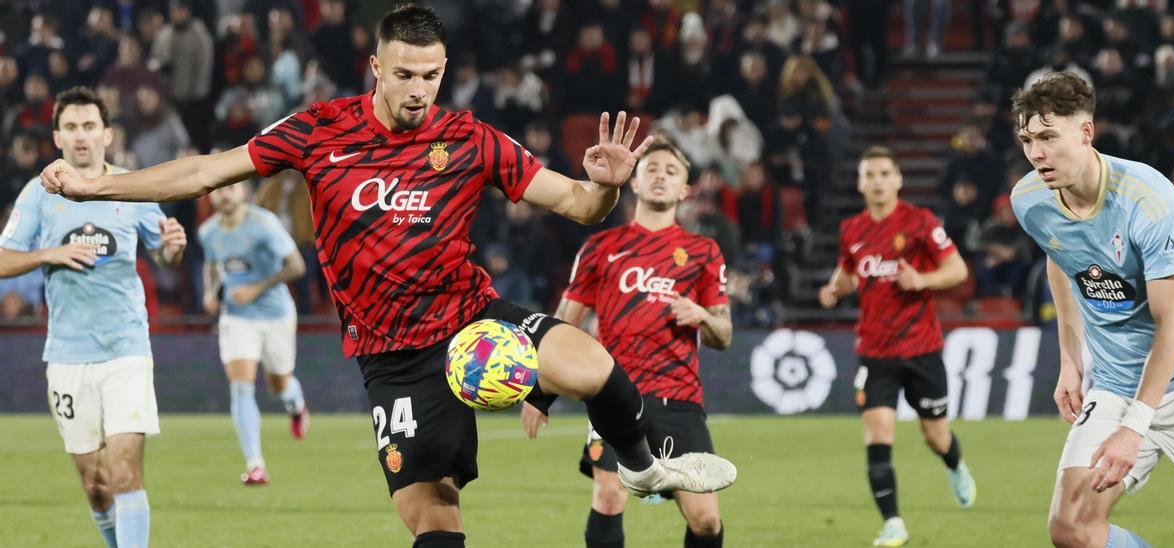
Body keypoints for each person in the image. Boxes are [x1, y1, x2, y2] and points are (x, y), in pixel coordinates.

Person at [39, 7, 735, 548]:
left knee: (592, 365)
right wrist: (97, 188)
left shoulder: (471, 139)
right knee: (433, 519)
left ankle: (642, 468)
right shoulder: (318, 131)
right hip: (392, 358)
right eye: (404, 74)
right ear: (376, 66)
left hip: (472, 318)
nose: (418, 89)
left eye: (430, 76)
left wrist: (606, 187)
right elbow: (202, 171)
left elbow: (581, 205)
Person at [1009, 72, 1174, 548]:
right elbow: (1061, 257)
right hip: (1116, 382)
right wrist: (1070, 361)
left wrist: (1135, 427)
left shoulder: (1147, 199)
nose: (1036, 153)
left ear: (1086, 132)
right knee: (1070, 528)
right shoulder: (1030, 199)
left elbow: (1172, 322)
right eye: (1028, 139)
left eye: (1049, 137)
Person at [0, 86, 187, 548]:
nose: (81, 136)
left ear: (106, 134)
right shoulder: (39, 195)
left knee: (125, 472)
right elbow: (3, 259)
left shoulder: (132, 187)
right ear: (57, 138)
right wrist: (53, 253)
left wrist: (172, 250)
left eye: (89, 126)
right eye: (71, 127)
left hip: (125, 348)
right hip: (67, 355)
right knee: (96, 484)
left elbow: (163, 257)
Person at [521, 140, 732, 548]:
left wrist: (704, 316)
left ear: (685, 190)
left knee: (705, 520)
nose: (661, 176)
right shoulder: (601, 248)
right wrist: (538, 392)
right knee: (609, 494)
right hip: (616, 396)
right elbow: (563, 324)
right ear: (634, 181)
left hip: (679, 398)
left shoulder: (703, 252)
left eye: (672, 172)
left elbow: (723, 335)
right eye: (652, 168)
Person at [817, 146, 975, 547]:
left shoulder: (919, 222)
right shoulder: (852, 229)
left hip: (922, 349)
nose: (877, 181)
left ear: (898, 179)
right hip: (875, 351)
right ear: (860, 183)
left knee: (936, 436)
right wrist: (837, 288)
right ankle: (893, 523)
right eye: (869, 174)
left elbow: (957, 269)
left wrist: (921, 281)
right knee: (878, 433)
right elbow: (851, 269)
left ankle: (955, 464)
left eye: (885, 173)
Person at [198, 181, 309, 486]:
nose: (225, 194)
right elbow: (212, 264)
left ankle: (295, 404)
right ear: (212, 195)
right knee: (241, 386)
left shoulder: (264, 224)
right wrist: (211, 292)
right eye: (220, 190)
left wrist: (256, 288)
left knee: (279, 386)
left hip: (275, 315)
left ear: (243, 191)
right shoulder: (208, 232)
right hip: (237, 317)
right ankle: (255, 464)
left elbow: (296, 266)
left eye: (231, 188)